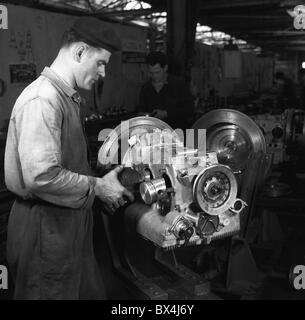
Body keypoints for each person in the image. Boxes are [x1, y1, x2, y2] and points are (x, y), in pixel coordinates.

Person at [4, 17, 134, 300]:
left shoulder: (67, 98)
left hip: (66, 224)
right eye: (100, 63)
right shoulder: (44, 99)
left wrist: (99, 177)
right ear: (79, 52)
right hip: (44, 230)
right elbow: (41, 176)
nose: (102, 73)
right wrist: (98, 187)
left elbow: (65, 166)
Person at [138, 51, 194, 129]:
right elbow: (141, 110)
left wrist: (167, 113)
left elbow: (190, 109)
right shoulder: (146, 88)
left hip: (176, 132)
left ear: (165, 68)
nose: (154, 76)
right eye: (151, 73)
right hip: (154, 135)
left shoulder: (178, 85)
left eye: (157, 72)